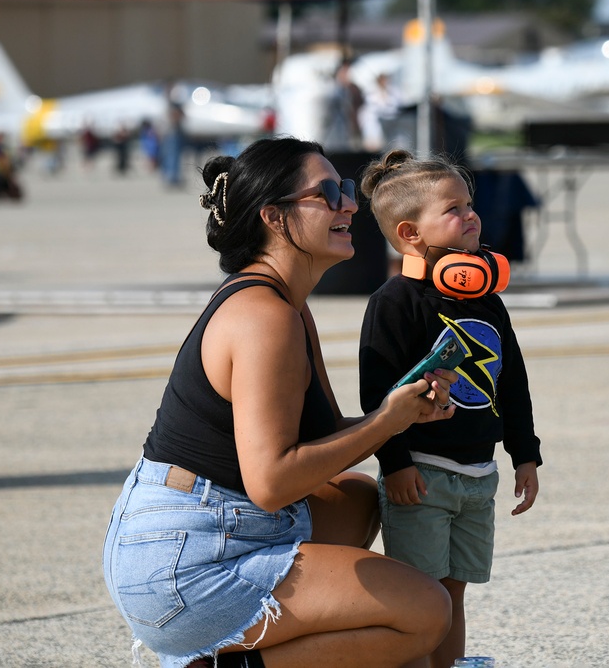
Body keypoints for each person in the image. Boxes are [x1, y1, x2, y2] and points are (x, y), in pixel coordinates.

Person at [102, 137, 456, 668]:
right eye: (331, 192)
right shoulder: (264, 318)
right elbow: (272, 484)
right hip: (184, 565)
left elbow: (323, 438)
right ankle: (231, 665)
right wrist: (386, 421)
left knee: (357, 498)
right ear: (274, 216)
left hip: (202, 530)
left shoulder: (285, 304)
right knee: (427, 612)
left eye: (348, 189)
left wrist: (406, 409)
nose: (351, 204)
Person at [358, 149, 542, 668]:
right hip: (423, 474)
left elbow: (514, 380)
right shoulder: (394, 301)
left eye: (470, 204)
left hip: (478, 474)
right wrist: (394, 463)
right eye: (454, 208)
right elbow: (376, 395)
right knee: (422, 596)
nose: (471, 216)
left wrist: (524, 454)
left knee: (453, 594)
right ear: (411, 233)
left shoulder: (487, 299)